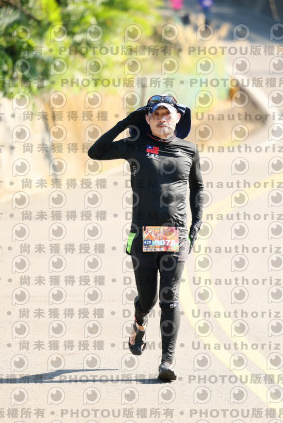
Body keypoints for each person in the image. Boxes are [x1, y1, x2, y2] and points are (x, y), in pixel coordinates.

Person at [87, 95, 203, 382]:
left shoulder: (189, 150)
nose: (162, 119)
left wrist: (196, 223)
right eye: (156, 114)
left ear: (178, 118)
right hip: (144, 233)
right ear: (148, 119)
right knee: (148, 299)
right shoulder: (136, 146)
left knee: (170, 297)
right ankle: (139, 322)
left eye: (167, 114)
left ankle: (167, 361)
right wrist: (125, 123)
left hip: (175, 233)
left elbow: (197, 188)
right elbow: (95, 152)